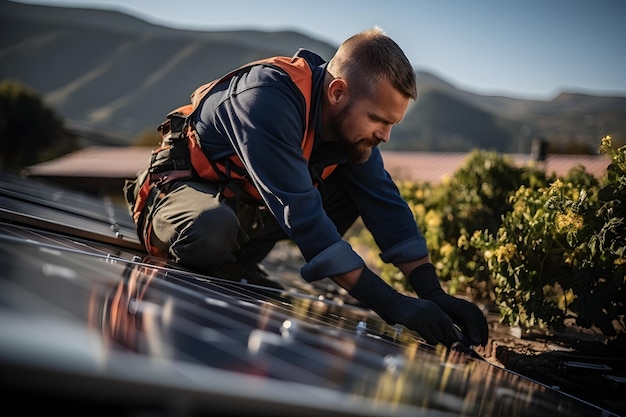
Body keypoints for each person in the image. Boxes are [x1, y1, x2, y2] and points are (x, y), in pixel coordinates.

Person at [126, 27, 489, 348]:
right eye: (378, 119)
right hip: (178, 194)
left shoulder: (351, 134)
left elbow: (387, 206)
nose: (385, 135)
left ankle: (233, 262)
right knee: (211, 228)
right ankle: (199, 253)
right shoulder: (267, 99)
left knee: (357, 185)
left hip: (241, 217)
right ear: (336, 92)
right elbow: (305, 219)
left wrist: (433, 293)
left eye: (392, 123)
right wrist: (392, 303)